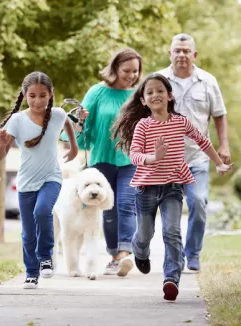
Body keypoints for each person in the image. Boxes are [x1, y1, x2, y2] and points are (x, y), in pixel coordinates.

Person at [111, 73, 232, 301]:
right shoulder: (143, 126)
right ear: (143, 101)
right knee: (144, 234)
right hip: (146, 188)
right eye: (150, 92)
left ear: (169, 95)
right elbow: (135, 154)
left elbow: (202, 140)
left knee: (172, 232)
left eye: (160, 91)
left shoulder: (180, 122)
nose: (155, 95)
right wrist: (153, 157)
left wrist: (218, 164)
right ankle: (140, 251)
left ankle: (171, 279)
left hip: (173, 187)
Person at [0, 71, 79, 289]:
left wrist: (74, 148)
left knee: (42, 211)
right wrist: (1, 144)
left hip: (51, 177)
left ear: (51, 94)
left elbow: (68, 124)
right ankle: (31, 273)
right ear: (25, 95)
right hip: (26, 182)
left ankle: (46, 257)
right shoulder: (17, 120)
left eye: (43, 95)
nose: (38, 101)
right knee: (27, 233)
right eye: (33, 95)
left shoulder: (57, 114)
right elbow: (0, 156)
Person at [157, 33, 231, 271]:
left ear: (194, 55)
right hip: (167, 160)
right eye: (177, 50)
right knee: (170, 214)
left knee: (198, 202)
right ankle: (174, 258)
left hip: (198, 157)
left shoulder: (208, 81)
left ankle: (193, 252)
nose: (181, 55)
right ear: (170, 54)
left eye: (186, 51)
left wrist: (224, 145)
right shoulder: (159, 81)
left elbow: (219, 114)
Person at [70, 48, 143, 277]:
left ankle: (124, 254)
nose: (131, 75)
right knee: (109, 211)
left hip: (131, 159)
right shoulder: (97, 92)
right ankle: (114, 255)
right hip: (102, 159)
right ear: (115, 68)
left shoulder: (138, 95)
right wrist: (79, 123)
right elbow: (84, 132)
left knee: (126, 205)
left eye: (135, 71)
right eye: (126, 70)